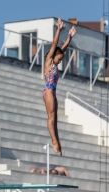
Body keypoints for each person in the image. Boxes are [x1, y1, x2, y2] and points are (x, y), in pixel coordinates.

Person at [42, 18, 76, 156]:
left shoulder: (55, 62)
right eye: (59, 59)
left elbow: (63, 47)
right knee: (51, 116)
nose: (60, 62)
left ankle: (56, 140)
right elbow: (55, 44)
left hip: (53, 91)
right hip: (48, 90)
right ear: (53, 56)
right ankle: (54, 141)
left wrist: (69, 37)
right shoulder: (49, 61)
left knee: (55, 117)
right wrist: (59, 30)